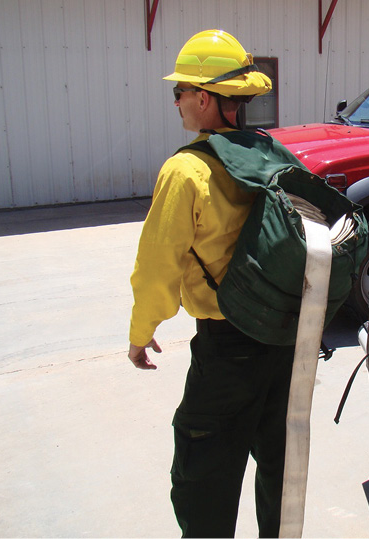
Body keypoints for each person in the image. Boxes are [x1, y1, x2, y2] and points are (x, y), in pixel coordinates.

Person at [127, 29, 290, 538]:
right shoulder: (270, 151)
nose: (175, 100)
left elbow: (157, 264)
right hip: (285, 340)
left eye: (179, 91)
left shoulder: (186, 170)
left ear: (204, 97)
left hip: (228, 350)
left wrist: (141, 331)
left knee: (203, 478)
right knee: (281, 470)